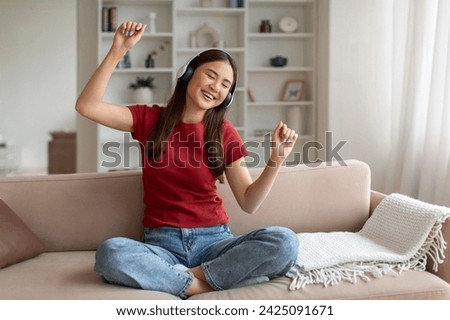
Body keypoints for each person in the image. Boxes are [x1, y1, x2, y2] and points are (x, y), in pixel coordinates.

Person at [76, 21, 300, 298]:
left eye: (225, 85)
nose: (215, 87)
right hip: (162, 244)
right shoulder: (149, 120)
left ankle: (185, 279)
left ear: (226, 97)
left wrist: (277, 158)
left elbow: (249, 201)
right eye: (210, 75)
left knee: (285, 241)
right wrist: (117, 51)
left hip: (214, 241)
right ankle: (204, 284)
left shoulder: (224, 133)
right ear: (189, 74)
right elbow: (87, 106)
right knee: (111, 253)